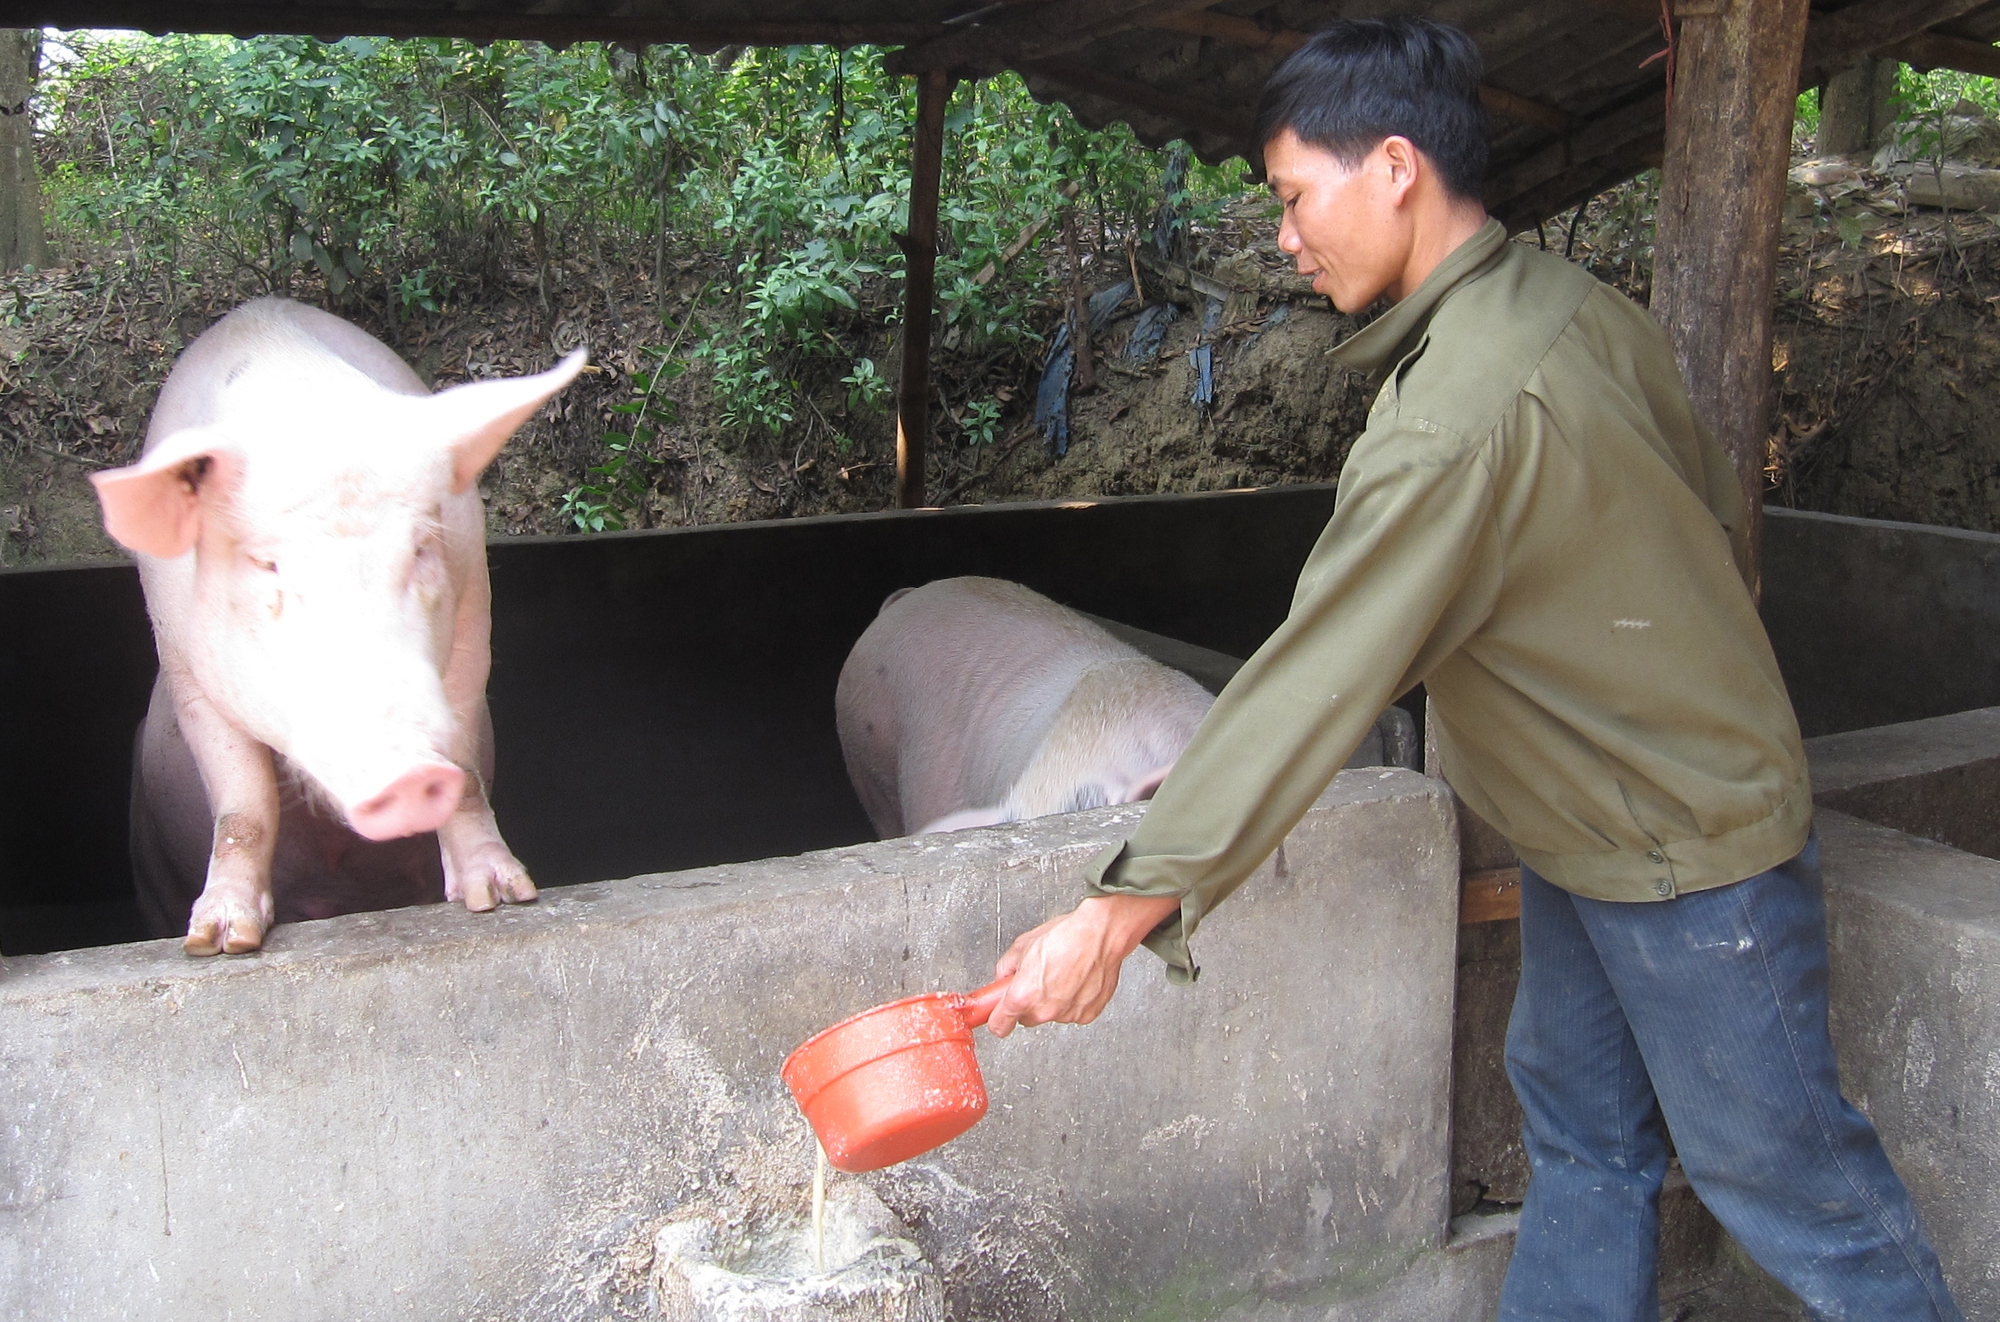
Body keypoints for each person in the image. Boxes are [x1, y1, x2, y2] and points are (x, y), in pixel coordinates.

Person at [981, 17, 1963, 1321]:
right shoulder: (1569, 309)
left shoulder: (1457, 416)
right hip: (1591, 832)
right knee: (1583, 1137)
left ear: (1394, 168)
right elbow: (1708, 502)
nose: (1283, 231)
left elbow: (1310, 678)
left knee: (1790, 1186)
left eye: (1292, 195)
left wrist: (1116, 911)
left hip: (1684, 850)